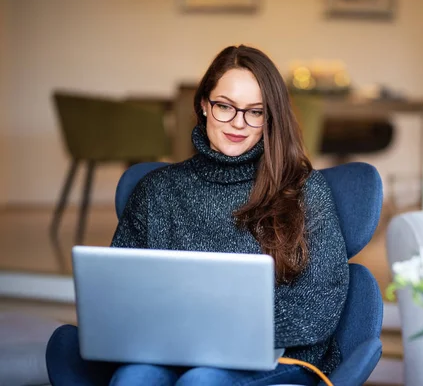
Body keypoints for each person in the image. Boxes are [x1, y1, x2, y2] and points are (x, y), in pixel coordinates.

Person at [45, 45, 350, 386]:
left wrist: (215, 334)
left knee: (202, 380)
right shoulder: (157, 191)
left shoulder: (305, 190)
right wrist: (183, 335)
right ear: (204, 105)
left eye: (255, 112)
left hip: (281, 355)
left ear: (270, 118)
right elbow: (121, 295)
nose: (238, 122)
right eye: (225, 106)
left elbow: (321, 306)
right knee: (135, 376)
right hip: (169, 349)